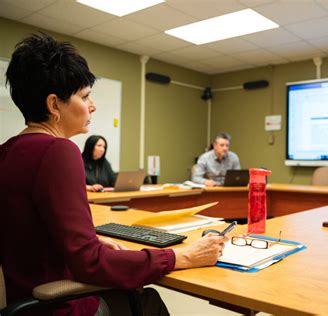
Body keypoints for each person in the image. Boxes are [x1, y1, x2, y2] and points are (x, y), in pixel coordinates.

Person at [0, 33, 227, 316]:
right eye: (84, 96)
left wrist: (89, 241)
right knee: (147, 300)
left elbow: (34, 234)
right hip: (57, 308)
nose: (92, 105)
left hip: (20, 300)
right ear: (54, 105)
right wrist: (181, 256)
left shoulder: (7, 151)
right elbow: (90, 263)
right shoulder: (59, 151)